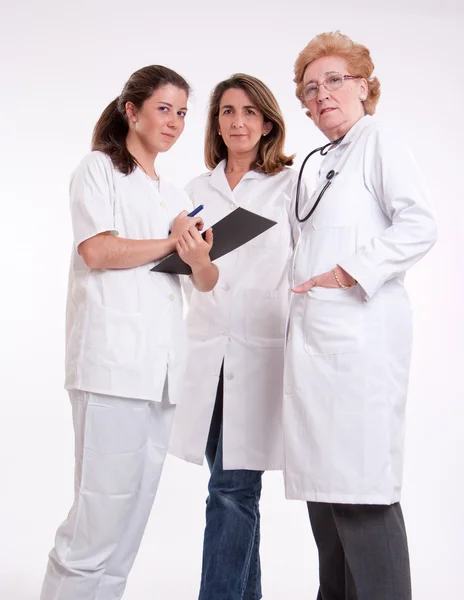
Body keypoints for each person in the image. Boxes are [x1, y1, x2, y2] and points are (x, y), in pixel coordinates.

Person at [40, 64, 218, 600]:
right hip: (112, 368)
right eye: (164, 108)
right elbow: (97, 250)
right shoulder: (98, 170)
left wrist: (200, 253)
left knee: (127, 531)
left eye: (183, 113)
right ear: (131, 111)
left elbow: (203, 282)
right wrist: (170, 244)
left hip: (161, 377)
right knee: (95, 524)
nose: (175, 122)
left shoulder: (169, 193)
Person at [283, 31, 438, 600]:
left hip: (359, 354)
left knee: (362, 502)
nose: (321, 93)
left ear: (364, 87)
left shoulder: (380, 141)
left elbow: (419, 225)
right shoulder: (318, 162)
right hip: (316, 353)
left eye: (334, 80)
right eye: (310, 87)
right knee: (327, 512)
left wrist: (350, 271)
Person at [169, 73, 302, 600]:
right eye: (227, 111)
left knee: (231, 489)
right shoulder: (195, 191)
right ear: (216, 123)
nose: (238, 121)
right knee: (233, 490)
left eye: (249, 111)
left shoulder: (292, 185)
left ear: (268, 122)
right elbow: (185, 268)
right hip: (205, 351)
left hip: (260, 348)